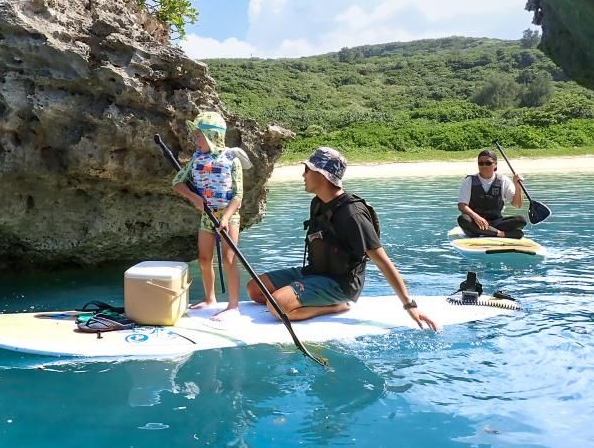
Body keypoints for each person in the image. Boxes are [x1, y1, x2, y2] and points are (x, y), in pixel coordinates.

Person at [245, 147, 439, 330]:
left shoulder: (352, 214)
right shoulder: (317, 203)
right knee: (255, 288)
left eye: (307, 170)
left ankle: (335, 306)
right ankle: (306, 298)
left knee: (276, 306)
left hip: (340, 283)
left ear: (322, 174)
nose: (303, 175)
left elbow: (382, 261)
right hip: (314, 272)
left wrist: (409, 305)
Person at [172, 111, 250, 320]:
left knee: (229, 258)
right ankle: (210, 298)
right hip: (207, 216)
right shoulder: (196, 159)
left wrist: (225, 218)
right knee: (204, 259)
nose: (195, 140)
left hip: (228, 215)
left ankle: (233, 307)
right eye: (195, 136)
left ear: (211, 137)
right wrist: (194, 198)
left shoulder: (231, 159)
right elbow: (177, 183)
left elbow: (238, 195)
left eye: (198, 136)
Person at [457, 149, 526, 238]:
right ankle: (501, 234)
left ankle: (489, 231)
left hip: (496, 223)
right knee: (463, 219)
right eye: (481, 163)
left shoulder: (503, 180)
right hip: (475, 223)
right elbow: (462, 205)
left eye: (488, 163)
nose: (484, 166)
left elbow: (517, 205)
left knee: (521, 220)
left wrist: (518, 186)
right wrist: (476, 217)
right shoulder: (469, 181)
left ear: (495, 165)